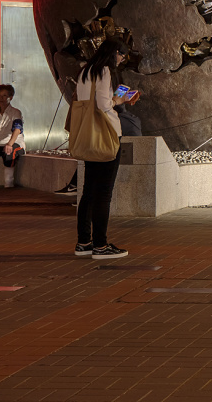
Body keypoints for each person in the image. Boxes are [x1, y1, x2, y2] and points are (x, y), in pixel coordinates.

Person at [74, 40, 131, 260]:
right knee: (103, 193)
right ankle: (100, 245)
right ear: (114, 53)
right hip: (106, 134)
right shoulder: (104, 70)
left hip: (88, 136)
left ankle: (84, 242)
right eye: (122, 55)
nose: (122, 59)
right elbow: (103, 104)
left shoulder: (85, 71)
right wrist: (120, 99)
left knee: (89, 190)